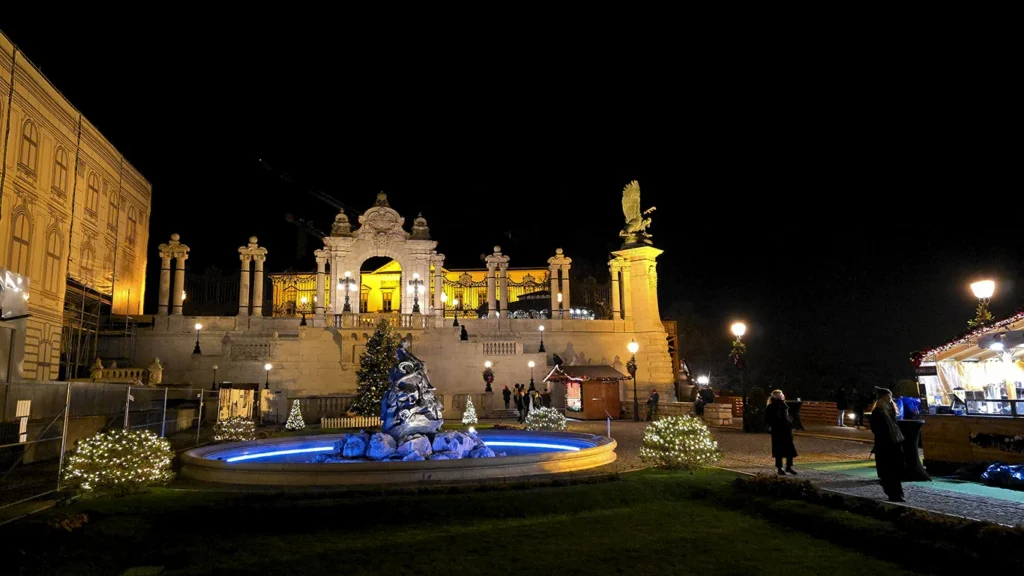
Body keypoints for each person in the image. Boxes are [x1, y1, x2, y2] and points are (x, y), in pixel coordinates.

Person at [870, 387, 905, 502]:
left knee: (896, 470)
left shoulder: (891, 411)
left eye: (890, 396)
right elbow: (876, 429)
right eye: (887, 396)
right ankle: (893, 494)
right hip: (885, 445)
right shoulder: (878, 412)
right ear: (882, 398)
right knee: (889, 471)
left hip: (895, 443)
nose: (890, 398)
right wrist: (885, 437)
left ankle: (898, 493)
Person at [765, 389, 798, 475]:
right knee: (782, 449)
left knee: (785, 449)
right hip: (780, 430)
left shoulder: (777, 405)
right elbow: (772, 419)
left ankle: (786, 467)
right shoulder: (778, 406)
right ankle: (784, 467)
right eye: (781, 395)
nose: (783, 396)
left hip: (781, 430)